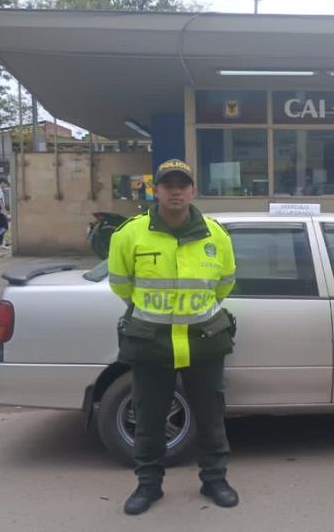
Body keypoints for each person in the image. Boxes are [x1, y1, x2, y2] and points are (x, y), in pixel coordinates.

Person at [108, 159, 239, 516]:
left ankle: (214, 479)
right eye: (168, 184)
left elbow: (225, 283)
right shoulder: (131, 233)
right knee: (148, 419)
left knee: (211, 416)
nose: (176, 190)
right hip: (151, 340)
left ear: (193, 190)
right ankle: (148, 485)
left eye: (183, 184)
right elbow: (121, 284)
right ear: (157, 190)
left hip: (204, 339)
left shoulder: (216, 234)